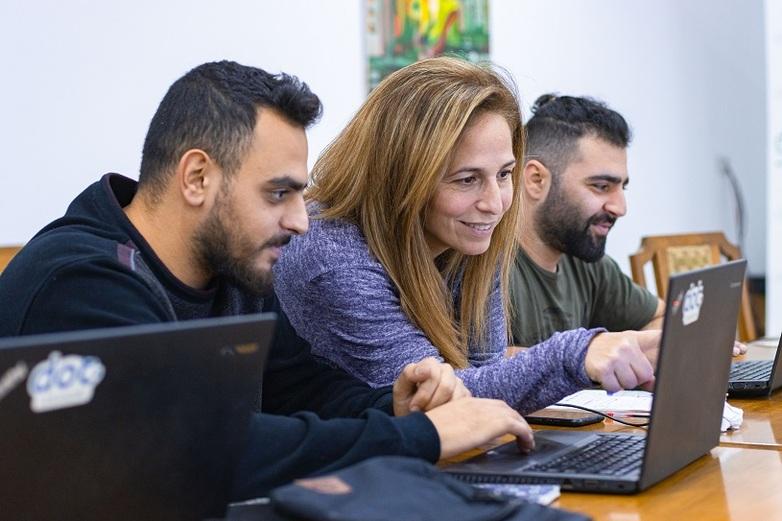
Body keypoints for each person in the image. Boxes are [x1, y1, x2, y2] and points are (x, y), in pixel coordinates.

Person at [0, 61, 535, 500]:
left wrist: (394, 405)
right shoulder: (82, 284)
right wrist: (420, 435)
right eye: (278, 194)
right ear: (197, 178)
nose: (301, 219)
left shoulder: (235, 269)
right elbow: (195, 452)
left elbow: (301, 386)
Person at [273, 57, 660, 414]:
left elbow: (486, 375)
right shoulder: (330, 254)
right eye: (467, 179)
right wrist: (576, 354)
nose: (495, 203)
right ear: (401, 177)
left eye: (504, 174)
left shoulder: (464, 236)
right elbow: (440, 403)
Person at [511, 94, 746, 356]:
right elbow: (478, 367)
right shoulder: (483, 266)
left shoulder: (588, 262)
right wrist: (585, 356)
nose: (620, 208)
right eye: (600, 186)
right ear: (535, 180)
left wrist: (639, 351)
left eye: (622, 187)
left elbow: (661, 317)